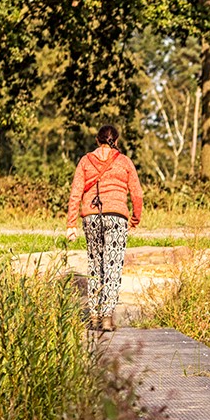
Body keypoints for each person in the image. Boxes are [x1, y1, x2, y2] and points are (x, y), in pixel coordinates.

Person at [65, 125, 144, 331]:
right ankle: (107, 318)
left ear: (96, 140)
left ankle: (93, 317)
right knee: (112, 266)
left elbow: (75, 193)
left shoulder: (85, 161)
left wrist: (71, 224)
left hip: (91, 217)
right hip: (117, 218)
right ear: (115, 141)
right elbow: (137, 194)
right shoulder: (125, 161)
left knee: (95, 265)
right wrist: (135, 219)